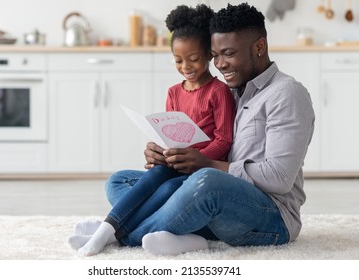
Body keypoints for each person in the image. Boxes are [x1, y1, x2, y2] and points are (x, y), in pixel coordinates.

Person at [99, 2, 315, 256]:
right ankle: (186, 235)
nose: (220, 64)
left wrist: (206, 164)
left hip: (270, 215)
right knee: (121, 181)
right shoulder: (229, 90)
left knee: (207, 182)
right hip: (211, 196)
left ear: (259, 47)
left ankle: (118, 235)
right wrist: (165, 154)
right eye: (215, 55)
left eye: (229, 53)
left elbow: (279, 178)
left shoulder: (286, 93)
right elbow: (198, 138)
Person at [70, 4, 235, 256]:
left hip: (201, 172)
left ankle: (108, 231)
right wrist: (158, 150)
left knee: (165, 189)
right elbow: (168, 132)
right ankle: (152, 229)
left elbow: (224, 139)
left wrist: (199, 160)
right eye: (178, 60)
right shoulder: (173, 92)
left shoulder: (218, 91)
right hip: (173, 166)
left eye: (193, 59)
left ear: (208, 56)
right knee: (117, 181)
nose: (186, 66)